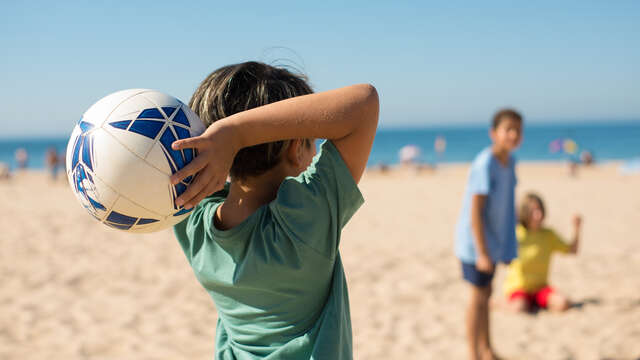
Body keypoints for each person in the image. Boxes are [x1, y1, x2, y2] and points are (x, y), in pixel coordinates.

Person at [170, 62, 379, 359]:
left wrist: (224, 137)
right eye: (312, 143)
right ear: (296, 148)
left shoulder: (193, 224)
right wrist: (237, 133)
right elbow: (365, 102)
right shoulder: (303, 223)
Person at [455, 109, 523, 360]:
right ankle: (473, 353)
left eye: (518, 130)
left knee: (487, 294)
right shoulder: (485, 163)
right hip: (475, 245)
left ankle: (487, 349)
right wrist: (482, 252)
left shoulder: (511, 162)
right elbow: (476, 211)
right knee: (477, 296)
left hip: (494, 243)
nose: (514, 134)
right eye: (508, 129)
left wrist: (507, 247)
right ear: (494, 133)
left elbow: (507, 206)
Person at [503, 193, 582, 312]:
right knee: (519, 307)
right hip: (519, 288)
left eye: (539, 210)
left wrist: (577, 228)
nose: (538, 215)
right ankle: (496, 303)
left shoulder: (548, 235)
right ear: (526, 213)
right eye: (533, 211)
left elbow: (572, 250)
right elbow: (503, 259)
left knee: (562, 304)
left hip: (540, 288)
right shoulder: (516, 234)